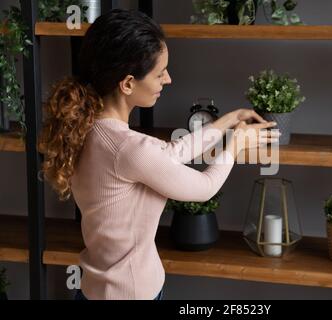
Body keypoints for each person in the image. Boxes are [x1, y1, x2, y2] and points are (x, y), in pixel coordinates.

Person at [37, 9, 279, 300]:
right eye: (160, 72)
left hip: (93, 290)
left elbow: (169, 154)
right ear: (127, 83)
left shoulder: (85, 127)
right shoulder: (127, 147)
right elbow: (204, 188)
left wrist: (225, 122)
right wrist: (235, 145)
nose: (169, 79)